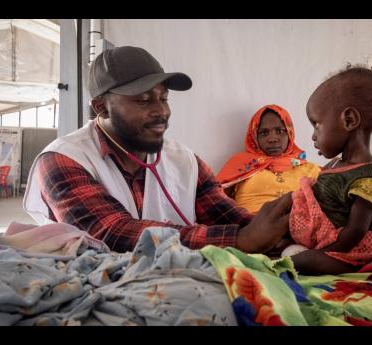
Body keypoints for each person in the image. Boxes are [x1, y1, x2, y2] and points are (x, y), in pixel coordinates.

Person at [23, 46, 292, 254]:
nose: (162, 111)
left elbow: (231, 217)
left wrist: (286, 231)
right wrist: (240, 240)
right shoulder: (63, 160)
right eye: (143, 100)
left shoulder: (185, 161)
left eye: (163, 98)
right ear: (101, 107)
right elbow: (110, 233)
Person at [287, 65, 372, 275]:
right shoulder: (335, 165)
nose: (314, 135)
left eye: (317, 124)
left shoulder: (369, 176)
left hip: (352, 250)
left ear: (349, 120)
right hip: (328, 240)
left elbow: (356, 231)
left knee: (304, 261)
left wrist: (325, 252)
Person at [216, 104, 320, 214]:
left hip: (300, 227)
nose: (272, 139)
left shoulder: (310, 169)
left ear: (290, 133)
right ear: (254, 136)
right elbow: (215, 203)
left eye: (280, 131)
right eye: (264, 133)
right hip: (251, 228)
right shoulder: (240, 165)